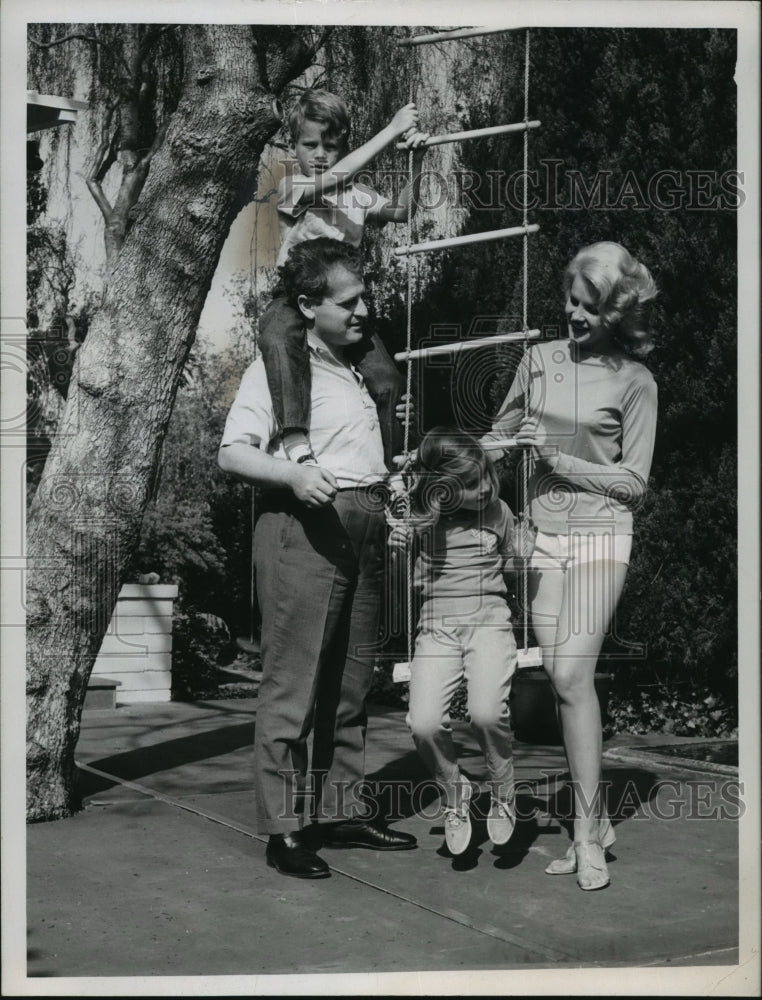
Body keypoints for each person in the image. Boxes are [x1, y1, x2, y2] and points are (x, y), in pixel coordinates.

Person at [219, 238, 417, 879]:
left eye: (365, 298)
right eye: (350, 301)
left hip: (364, 528)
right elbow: (232, 452)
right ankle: (285, 830)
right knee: (293, 688)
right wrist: (291, 475)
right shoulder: (278, 370)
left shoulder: (359, 369)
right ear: (308, 305)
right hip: (304, 530)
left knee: (353, 683)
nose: (364, 311)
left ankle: (343, 809)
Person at [481, 241, 658, 890]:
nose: (571, 315)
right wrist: (441, 460)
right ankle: (599, 819)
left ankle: (585, 835)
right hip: (540, 537)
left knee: (571, 673)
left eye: (586, 307)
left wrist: (560, 461)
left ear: (615, 311)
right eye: (568, 302)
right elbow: (499, 440)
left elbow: (635, 483)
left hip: (601, 537)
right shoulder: (538, 361)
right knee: (561, 682)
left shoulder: (636, 382)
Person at [258, 88, 429, 468]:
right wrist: (391, 130)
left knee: (387, 380)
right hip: (295, 296)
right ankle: (295, 435)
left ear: (344, 145)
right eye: (310, 144)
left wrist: (418, 162)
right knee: (276, 335)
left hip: (342, 306)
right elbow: (334, 178)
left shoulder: (359, 195)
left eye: (331, 146)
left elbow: (402, 212)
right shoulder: (294, 187)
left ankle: (394, 463)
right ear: (293, 146)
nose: (320, 155)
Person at [388, 428, 536, 856]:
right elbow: (401, 587)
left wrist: (525, 547)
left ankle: (503, 790)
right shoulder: (420, 522)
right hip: (436, 628)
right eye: (471, 485)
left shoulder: (499, 512)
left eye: (486, 475)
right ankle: (456, 792)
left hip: (490, 624)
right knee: (423, 723)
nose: (485, 487)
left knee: (487, 713)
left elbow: (514, 565)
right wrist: (399, 550)